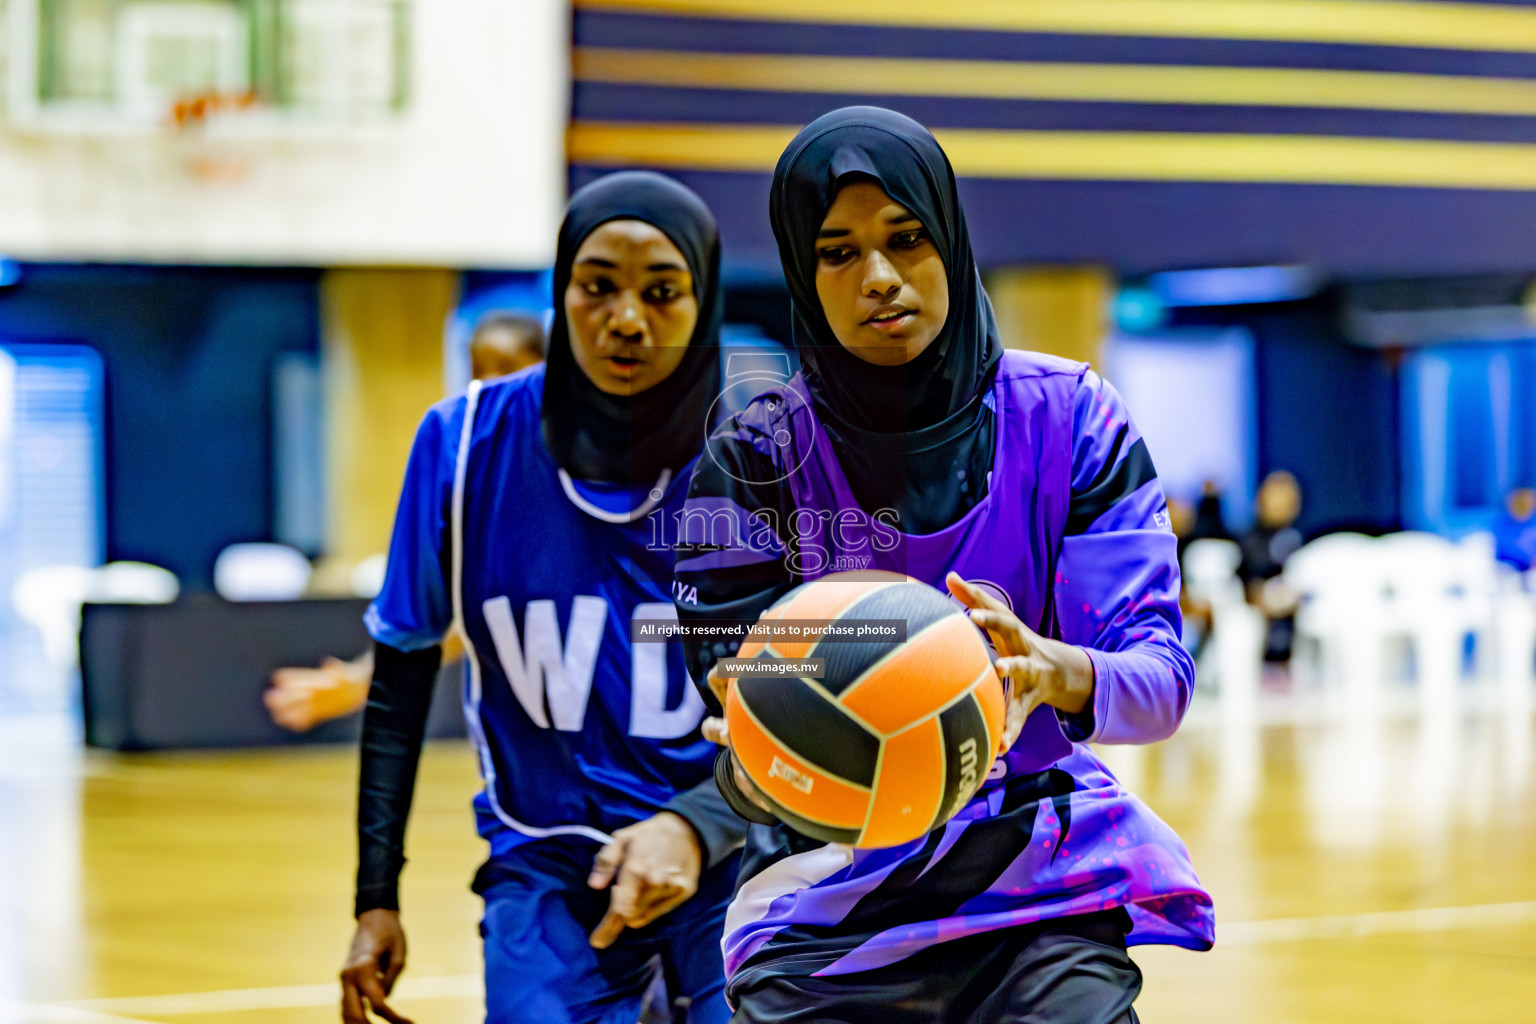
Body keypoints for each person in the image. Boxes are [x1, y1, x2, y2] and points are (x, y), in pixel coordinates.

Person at [672, 107, 1213, 1023]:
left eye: (907, 239)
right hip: (829, 890)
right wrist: (760, 758)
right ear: (803, 276)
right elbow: (739, 742)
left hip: (1042, 879)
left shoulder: (1076, 418)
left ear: (951, 242)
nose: (879, 277)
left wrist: (1062, 671)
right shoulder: (750, 462)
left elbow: (1161, 681)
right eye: (837, 253)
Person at [340, 173, 750, 1024]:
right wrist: (374, 897)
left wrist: (702, 823)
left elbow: (814, 702)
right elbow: (399, 684)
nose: (626, 318)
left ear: (703, 302)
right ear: (561, 293)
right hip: (547, 859)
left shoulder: (763, 458)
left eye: (662, 292)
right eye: (598, 287)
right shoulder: (459, 446)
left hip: (729, 851)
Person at [265, 313, 546, 734]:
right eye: (476, 371)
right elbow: (453, 611)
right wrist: (363, 678)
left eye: (506, 368)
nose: (487, 385)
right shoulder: (470, 469)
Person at [1237, 470, 1304, 663]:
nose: (1281, 504)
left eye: (1288, 499)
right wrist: (1261, 596)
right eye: (1275, 497)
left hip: (1296, 616)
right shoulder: (1248, 541)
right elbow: (1242, 581)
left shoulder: (1301, 537)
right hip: (1258, 614)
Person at [1493, 485, 1536, 575]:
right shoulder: (1502, 522)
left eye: (1526, 504)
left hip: (1528, 567)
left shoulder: (1532, 524)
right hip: (1506, 565)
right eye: (1519, 504)